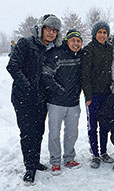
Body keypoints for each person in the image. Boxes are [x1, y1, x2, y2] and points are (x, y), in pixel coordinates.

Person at [6, 14, 62, 184]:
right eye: (48, 29)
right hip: (23, 97)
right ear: (41, 28)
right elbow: (13, 66)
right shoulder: (26, 43)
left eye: (55, 30)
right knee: (28, 132)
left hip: (41, 98)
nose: (51, 33)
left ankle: (35, 161)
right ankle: (29, 167)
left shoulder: (52, 49)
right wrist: (28, 86)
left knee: (38, 131)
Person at [41, 29, 83, 175]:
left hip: (73, 102)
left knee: (72, 133)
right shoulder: (56, 54)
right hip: (56, 102)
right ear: (67, 41)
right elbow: (46, 75)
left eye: (78, 41)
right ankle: (55, 162)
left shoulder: (81, 57)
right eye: (73, 40)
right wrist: (59, 90)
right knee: (54, 133)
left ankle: (69, 158)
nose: (76, 43)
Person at [82, 20, 114, 169]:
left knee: (105, 125)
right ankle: (95, 154)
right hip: (93, 95)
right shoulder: (88, 49)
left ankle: (104, 151)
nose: (102, 35)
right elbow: (85, 75)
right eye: (100, 32)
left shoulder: (110, 48)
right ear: (95, 34)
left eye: (105, 33)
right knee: (92, 125)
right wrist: (88, 96)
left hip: (106, 93)